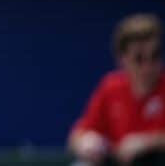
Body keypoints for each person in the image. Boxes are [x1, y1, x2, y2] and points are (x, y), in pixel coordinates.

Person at [70, 14, 165, 166]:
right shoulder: (111, 87)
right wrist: (86, 143)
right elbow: (77, 135)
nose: (148, 67)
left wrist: (148, 141)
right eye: (139, 59)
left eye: (155, 56)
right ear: (122, 60)